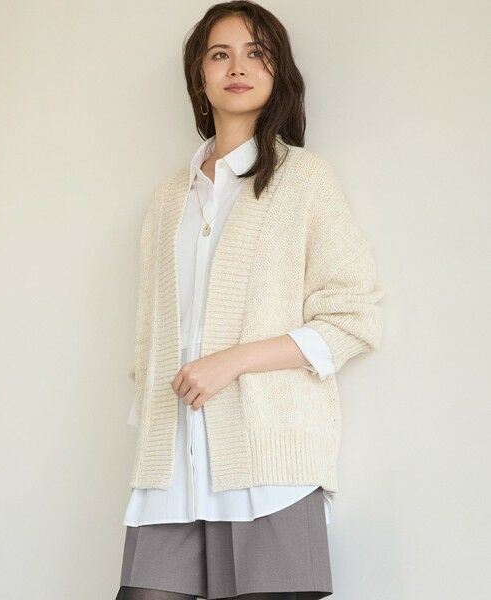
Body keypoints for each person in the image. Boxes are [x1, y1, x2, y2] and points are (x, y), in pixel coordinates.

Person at [115, 2, 384, 599]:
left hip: (269, 471)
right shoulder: (167, 200)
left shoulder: (305, 180)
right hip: (171, 471)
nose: (237, 67)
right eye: (220, 54)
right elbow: (149, 340)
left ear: (277, 70)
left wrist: (230, 362)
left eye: (255, 53)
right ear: (199, 75)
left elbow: (352, 318)